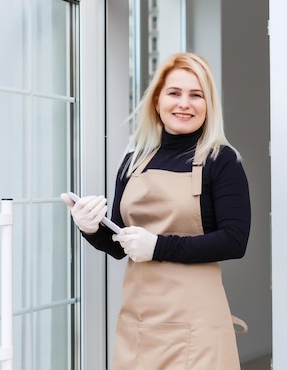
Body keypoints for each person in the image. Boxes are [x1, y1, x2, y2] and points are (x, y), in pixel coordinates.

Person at [61, 52, 251, 370]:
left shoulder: (222, 161)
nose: (184, 104)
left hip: (196, 325)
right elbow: (120, 244)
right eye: (174, 93)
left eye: (196, 95)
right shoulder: (134, 161)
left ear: (209, 105)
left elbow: (234, 240)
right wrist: (91, 227)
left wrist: (158, 246)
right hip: (140, 321)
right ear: (157, 101)